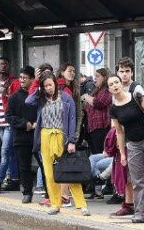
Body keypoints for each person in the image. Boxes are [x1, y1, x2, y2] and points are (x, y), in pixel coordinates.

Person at [26, 72, 90, 216]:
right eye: (45, 86)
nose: (49, 88)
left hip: (61, 136)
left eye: (50, 84)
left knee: (69, 171)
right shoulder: (41, 98)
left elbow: (72, 119)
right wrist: (37, 88)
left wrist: (72, 141)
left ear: (55, 82)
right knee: (49, 174)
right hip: (45, 136)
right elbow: (28, 101)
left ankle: (81, 204)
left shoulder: (66, 98)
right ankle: (55, 204)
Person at [107, 74, 144, 223]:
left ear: (121, 84)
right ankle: (141, 214)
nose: (115, 85)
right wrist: (122, 154)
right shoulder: (113, 109)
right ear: (109, 89)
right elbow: (119, 132)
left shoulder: (136, 96)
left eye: (116, 82)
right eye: (111, 84)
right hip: (132, 144)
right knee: (137, 181)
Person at [4, 66, 40, 203]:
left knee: (43, 165)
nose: (22, 80)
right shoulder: (14, 97)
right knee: (24, 166)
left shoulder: (37, 95)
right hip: (21, 137)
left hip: (38, 136)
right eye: (20, 77)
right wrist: (25, 124)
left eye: (25, 78)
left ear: (32, 79)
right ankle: (27, 192)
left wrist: (37, 123)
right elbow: (9, 116)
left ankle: (49, 192)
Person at [0, 57, 21, 194]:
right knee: (11, 152)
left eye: (5, 64)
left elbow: (16, 102)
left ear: (9, 66)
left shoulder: (14, 82)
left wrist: (7, 95)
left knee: (5, 151)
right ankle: (14, 180)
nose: (3, 66)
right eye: (1, 64)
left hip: (9, 122)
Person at [83, 68, 112, 154]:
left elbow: (99, 103)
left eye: (97, 76)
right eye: (95, 76)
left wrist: (86, 97)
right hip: (92, 128)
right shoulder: (96, 90)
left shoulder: (107, 90)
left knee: (101, 155)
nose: (95, 78)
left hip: (102, 128)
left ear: (104, 77)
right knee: (95, 154)